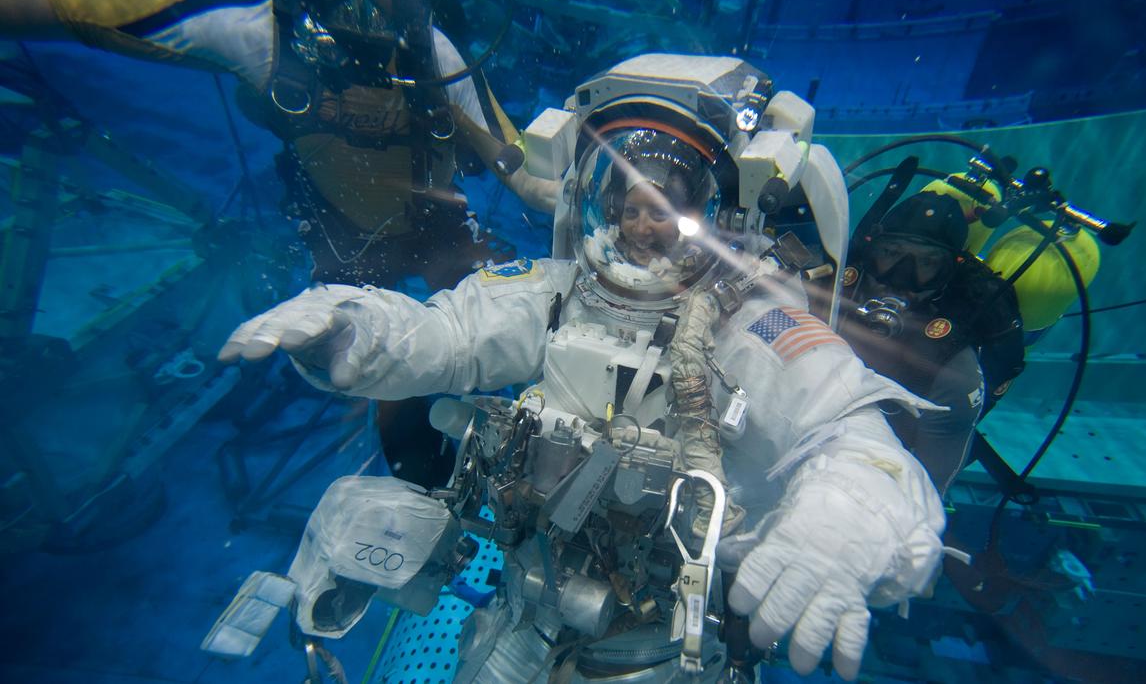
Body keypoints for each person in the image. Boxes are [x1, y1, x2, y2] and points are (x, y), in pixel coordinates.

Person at [214, 54, 947, 683]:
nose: (643, 224)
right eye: (628, 204)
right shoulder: (557, 290)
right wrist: (348, 329)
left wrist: (846, 521)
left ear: (715, 215)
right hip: (520, 610)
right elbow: (446, 334)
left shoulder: (755, 324)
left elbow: (855, 436)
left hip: (659, 645)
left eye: (668, 207)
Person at [0, 0, 558, 488]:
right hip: (344, 237)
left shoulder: (431, 52)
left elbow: (519, 168)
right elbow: (81, 12)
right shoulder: (261, 36)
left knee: (502, 336)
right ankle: (425, 486)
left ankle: (513, 460)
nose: (360, 8)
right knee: (380, 374)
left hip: (436, 223)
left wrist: (581, 206)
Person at [838, 190, 1024, 495]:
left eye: (927, 263)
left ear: (949, 272)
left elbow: (927, 491)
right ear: (871, 250)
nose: (902, 275)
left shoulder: (955, 369)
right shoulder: (833, 282)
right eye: (891, 253)